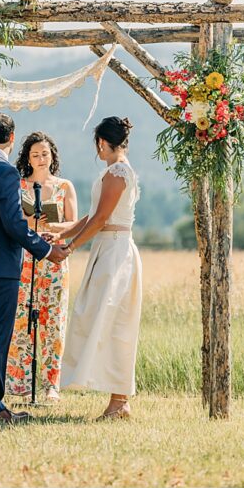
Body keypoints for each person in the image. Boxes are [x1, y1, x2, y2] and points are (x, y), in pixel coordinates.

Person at [0, 112, 68, 423]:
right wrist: (47, 250)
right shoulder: (5, 172)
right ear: (11, 138)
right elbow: (13, 224)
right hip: (0, 267)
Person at [56, 117, 142, 420]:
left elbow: (101, 219)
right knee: (100, 318)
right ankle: (117, 399)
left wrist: (71, 247)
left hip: (115, 252)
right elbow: (91, 217)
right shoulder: (114, 171)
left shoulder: (117, 173)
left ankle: (120, 401)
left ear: (101, 143)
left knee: (114, 320)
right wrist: (60, 234)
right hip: (107, 248)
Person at [6, 131, 78, 402]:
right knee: (21, 319)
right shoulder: (18, 185)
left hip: (55, 260)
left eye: (45, 154)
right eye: (35, 154)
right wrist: (30, 223)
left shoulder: (64, 186)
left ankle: (52, 385)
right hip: (24, 259)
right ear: (27, 157)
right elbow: (13, 220)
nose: (40, 159)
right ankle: (19, 382)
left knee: (53, 321)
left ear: (52, 156)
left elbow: (75, 223)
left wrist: (51, 227)